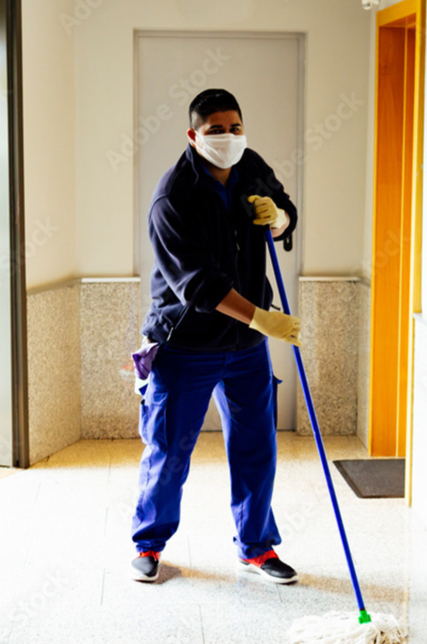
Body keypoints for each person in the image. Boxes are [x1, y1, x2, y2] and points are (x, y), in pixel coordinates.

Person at [129, 88, 302, 585]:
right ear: (193, 135)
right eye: (215, 130)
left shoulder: (250, 166)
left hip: (244, 349)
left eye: (235, 128)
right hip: (185, 344)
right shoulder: (173, 197)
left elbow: (286, 208)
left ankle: (257, 547)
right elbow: (199, 285)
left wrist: (281, 215)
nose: (228, 138)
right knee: (170, 448)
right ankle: (149, 543)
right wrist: (265, 320)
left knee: (256, 445)